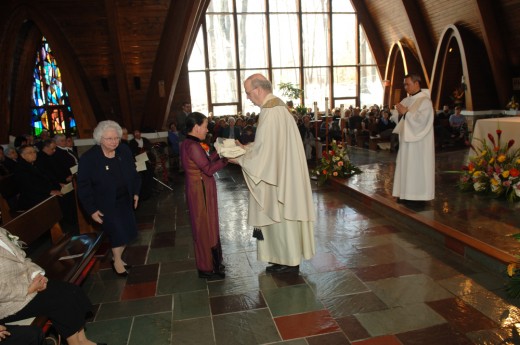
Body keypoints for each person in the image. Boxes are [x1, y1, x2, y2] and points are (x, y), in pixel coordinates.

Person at [230, 74, 315, 274]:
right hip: (281, 172)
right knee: (280, 220)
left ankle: (289, 260)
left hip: (276, 177)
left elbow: (265, 153)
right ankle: (281, 258)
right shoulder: (278, 107)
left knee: (281, 219)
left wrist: (240, 157)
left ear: (258, 89)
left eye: (248, 93)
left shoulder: (270, 111)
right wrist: (247, 147)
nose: (248, 97)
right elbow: (267, 147)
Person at [0, 227, 106, 345]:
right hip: (9, 302)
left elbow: (23, 259)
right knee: (58, 302)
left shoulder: (2, 232)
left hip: (28, 282)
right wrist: (28, 289)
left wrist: (37, 275)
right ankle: (76, 343)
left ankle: (83, 341)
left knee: (71, 291)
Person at [77, 120, 141, 277]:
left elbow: (133, 174)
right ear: (100, 139)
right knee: (117, 233)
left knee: (128, 232)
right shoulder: (89, 158)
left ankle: (117, 258)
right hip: (105, 204)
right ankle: (117, 261)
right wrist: (91, 210)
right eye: (109, 139)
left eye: (116, 138)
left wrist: (135, 192)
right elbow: (83, 186)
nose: (114, 142)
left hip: (125, 199)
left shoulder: (124, 150)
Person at [180, 112, 228, 280]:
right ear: (196, 127)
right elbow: (208, 169)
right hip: (200, 190)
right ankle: (208, 267)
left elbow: (205, 161)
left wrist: (219, 153)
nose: (207, 130)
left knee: (205, 225)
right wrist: (226, 159)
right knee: (205, 226)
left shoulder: (189, 143)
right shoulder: (193, 146)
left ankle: (210, 264)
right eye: (205, 126)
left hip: (200, 187)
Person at [392, 73, 435, 203]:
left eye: (408, 84)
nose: (406, 87)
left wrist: (406, 113)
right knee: (405, 166)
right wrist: (399, 114)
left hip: (419, 143)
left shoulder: (425, 101)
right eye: (404, 84)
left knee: (417, 167)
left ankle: (418, 196)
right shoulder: (406, 100)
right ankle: (404, 193)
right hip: (406, 141)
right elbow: (396, 117)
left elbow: (422, 121)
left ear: (416, 84)